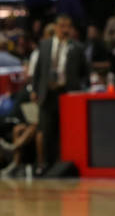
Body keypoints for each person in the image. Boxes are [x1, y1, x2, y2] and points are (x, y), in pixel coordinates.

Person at [29, 14, 86, 172]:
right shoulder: (45, 44)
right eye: (62, 26)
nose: (65, 30)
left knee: (65, 130)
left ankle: (62, 164)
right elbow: (38, 70)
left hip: (67, 93)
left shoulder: (77, 47)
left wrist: (79, 87)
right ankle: (44, 164)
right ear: (55, 27)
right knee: (45, 130)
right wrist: (35, 90)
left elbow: (84, 72)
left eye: (68, 26)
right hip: (47, 92)